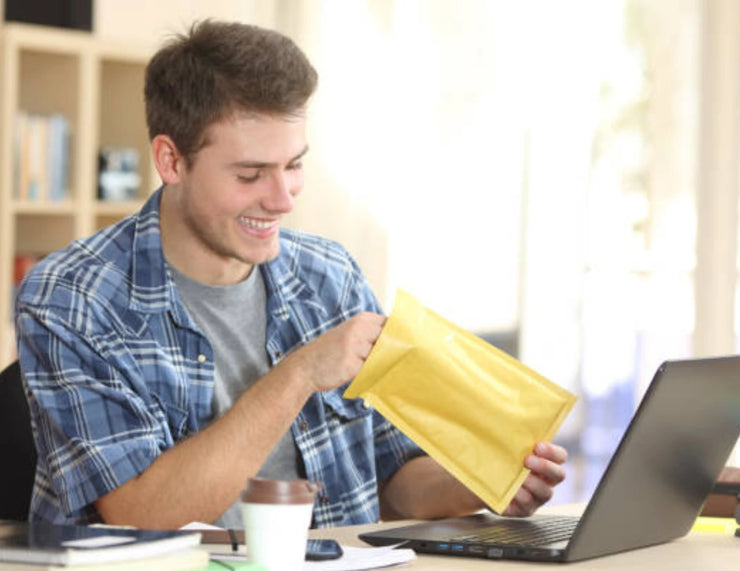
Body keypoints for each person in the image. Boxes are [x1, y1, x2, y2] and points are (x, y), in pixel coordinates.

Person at [15, 20, 567, 529]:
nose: (282, 199)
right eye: (251, 173)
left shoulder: (330, 276)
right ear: (170, 161)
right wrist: (299, 374)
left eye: (294, 165)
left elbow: (390, 479)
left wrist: (480, 484)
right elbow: (141, 515)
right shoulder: (73, 297)